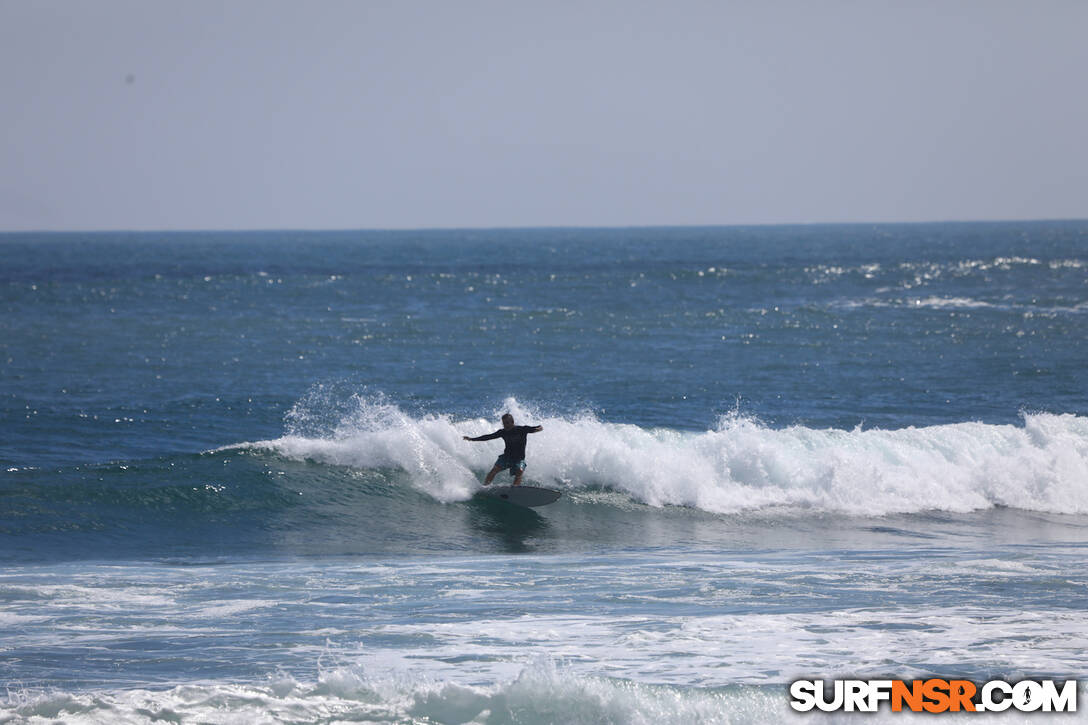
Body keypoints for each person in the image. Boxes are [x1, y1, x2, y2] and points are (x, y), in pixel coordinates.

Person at [463, 413, 543, 486]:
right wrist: (472, 439)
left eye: (507, 423)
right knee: (494, 470)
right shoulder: (502, 432)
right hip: (506, 457)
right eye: (504, 423)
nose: (506, 425)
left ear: (512, 422)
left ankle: (515, 489)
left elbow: (535, 428)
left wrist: (539, 428)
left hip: (519, 459)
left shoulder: (521, 429)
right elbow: (488, 437)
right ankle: (485, 486)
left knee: (520, 470)